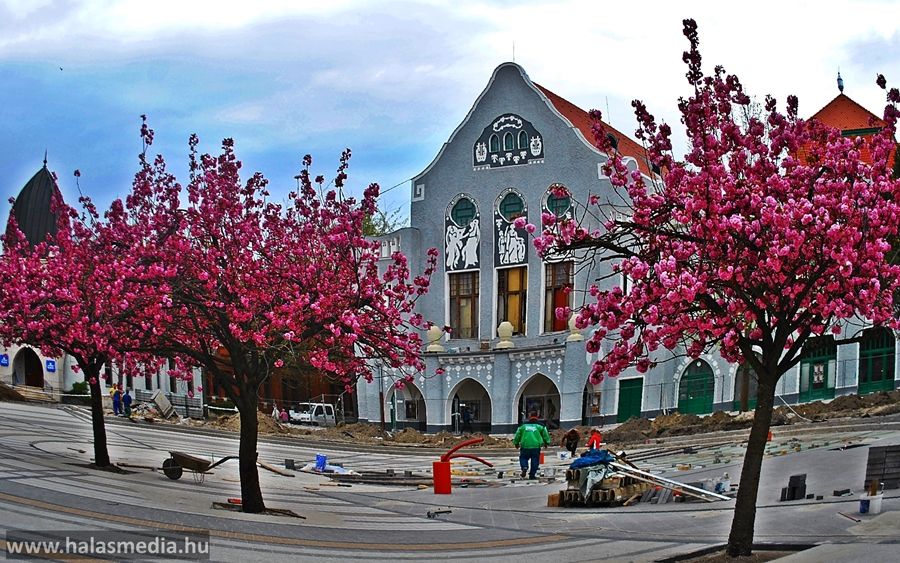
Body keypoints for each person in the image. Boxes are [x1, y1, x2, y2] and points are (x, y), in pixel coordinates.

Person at [513, 411, 551, 479]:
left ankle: (524, 467)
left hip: (525, 445)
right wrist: (546, 443)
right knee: (535, 460)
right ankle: (532, 475)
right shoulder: (541, 426)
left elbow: (517, 435)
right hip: (536, 446)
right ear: (537, 416)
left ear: (529, 416)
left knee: (523, 458)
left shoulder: (523, 426)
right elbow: (545, 435)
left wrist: (516, 443)